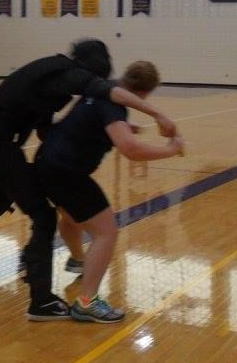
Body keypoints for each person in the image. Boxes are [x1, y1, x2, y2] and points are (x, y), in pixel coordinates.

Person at [0, 40, 179, 322]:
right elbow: (111, 94)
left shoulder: (51, 79)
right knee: (43, 216)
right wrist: (158, 115)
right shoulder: (69, 74)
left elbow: (48, 131)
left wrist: (108, 128)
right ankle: (42, 300)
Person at [35, 61, 183, 323]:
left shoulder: (101, 90)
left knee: (72, 218)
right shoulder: (113, 105)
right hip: (66, 172)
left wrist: (122, 127)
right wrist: (171, 150)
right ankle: (86, 303)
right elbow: (131, 150)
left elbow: (86, 122)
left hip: (46, 163)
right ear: (145, 93)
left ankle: (78, 260)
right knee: (106, 232)